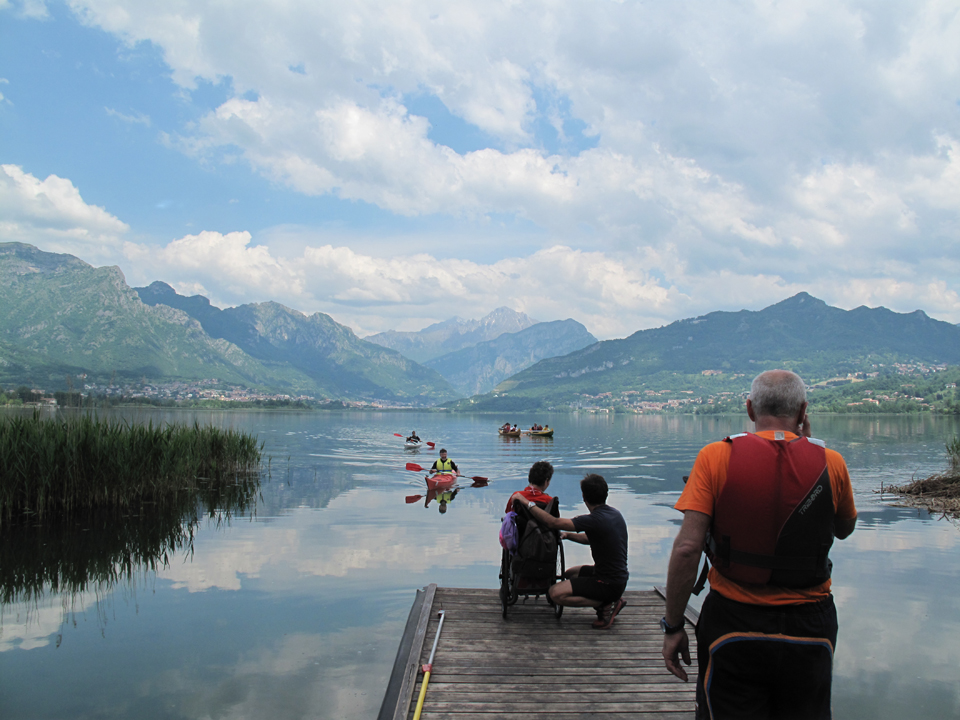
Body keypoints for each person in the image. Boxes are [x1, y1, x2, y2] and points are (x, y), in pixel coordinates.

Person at [661, 370, 858, 720]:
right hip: (810, 628)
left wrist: (674, 626)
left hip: (734, 622)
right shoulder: (833, 463)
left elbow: (687, 549)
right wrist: (808, 448)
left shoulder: (715, 457)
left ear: (750, 409)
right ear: (803, 411)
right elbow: (844, 528)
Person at [510, 473, 629, 629]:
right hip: (616, 578)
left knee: (555, 594)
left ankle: (607, 603)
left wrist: (526, 502)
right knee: (569, 574)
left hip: (608, 583)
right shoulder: (613, 514)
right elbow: (589, 539)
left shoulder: (593, 519)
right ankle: (609, 598)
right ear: (605, 493)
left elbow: (553, 522)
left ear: (584, 496)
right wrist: (567, 535)